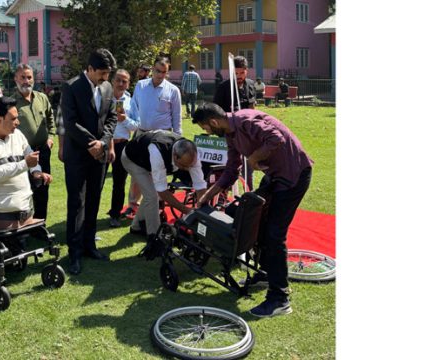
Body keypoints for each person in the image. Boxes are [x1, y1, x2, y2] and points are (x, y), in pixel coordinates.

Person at [192, 102, 313, 318]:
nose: (207, 132)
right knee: (257, 222)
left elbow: (276, 138)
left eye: (205, 128)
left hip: (294, 175)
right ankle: (267, 273)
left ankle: (279, 299)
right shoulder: (230, 135)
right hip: (275, 177)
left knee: (275, 235)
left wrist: (254, 158)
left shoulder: (246, 121)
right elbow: (231, 171)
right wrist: (206, 197)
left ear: (213, 121)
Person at [60, 48, 117, 275]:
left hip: (99, 155)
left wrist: (102, 144)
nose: (105, 78)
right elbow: (70, 122)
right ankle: (74, 253)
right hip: (77, 156)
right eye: (102, 73)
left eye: (108, 74)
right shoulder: (71, 86)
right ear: (90, 69)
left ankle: (89, 245)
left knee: (94, 199)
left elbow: (111, 118)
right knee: (77, 203)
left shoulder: (108, 87)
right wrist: (91, 144)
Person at [0, 97, 53, 231]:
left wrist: (36, 171)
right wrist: (25, 164)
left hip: (26, 215)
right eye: (13, 119)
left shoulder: (17, 135)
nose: (18, 122)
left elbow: (30, 156)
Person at [122, 131, 207, 259]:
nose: (187, 169)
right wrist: (187, 211)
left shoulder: (192, 155)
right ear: (175, 156)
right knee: (152, 196)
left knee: (151, 195)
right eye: (184, 166)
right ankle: (155, 239)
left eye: (190, 166)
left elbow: (200, 185)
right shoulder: (158, 152)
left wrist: (201, 208)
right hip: (133, 159)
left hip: (147, 156)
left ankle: (136, 226)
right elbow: (162, 191)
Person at [10, 64, 56, 220]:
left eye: (29, 77)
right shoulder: (11, 102)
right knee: (24, 190)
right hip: (22, 155)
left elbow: (51, 118)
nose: (26, 81)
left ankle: (40, 223)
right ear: (15, 78)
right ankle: (24, 224)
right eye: (22, 77)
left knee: (43, 188)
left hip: (43, 151)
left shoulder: (41, 98)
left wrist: (50, 136)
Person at [213, 55, 256, 190]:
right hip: (229, 135)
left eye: (242, 72)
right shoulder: (223, 87)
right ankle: (223, 196)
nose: (239, 76)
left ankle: (249, 195)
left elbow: (252, 108)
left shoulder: (250, 84)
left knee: (248, 168)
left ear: (246, 71)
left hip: (246, 135)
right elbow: (215, 111)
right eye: (236, 73)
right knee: (229, 166)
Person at [106, 69, 140, 228]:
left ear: (128, 83)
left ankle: (115, 214)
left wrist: (125, 119)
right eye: (118, 80)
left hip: (122, 145)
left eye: (124, 81)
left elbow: (136, 126)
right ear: (113, 80)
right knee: (95, 183)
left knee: (119, 182)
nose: (121, 84)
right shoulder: (104, 97)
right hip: (105, 144)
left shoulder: (130, 100)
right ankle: (88, 215)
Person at [132, 58, 182, 135]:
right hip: (141, 134)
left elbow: (177, 116)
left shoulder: (173, 90)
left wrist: (177, 136)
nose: (160, 75)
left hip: (163, 136)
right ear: (152, 69)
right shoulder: (140, 85)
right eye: (158, 71)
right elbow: (133, 108)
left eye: (164, 72)